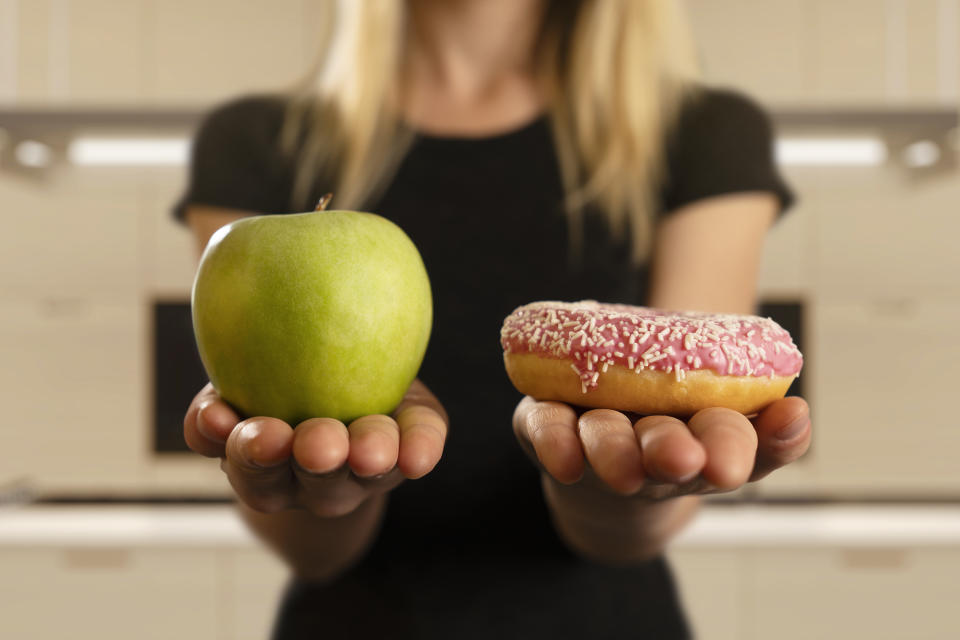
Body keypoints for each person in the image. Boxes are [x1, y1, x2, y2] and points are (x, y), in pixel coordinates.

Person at [177, 1, 812, 638]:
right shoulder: (255, 141)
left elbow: (678, 436)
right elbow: (307, 548)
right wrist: (328, 492)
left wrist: (611, 492)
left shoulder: (703, 132)